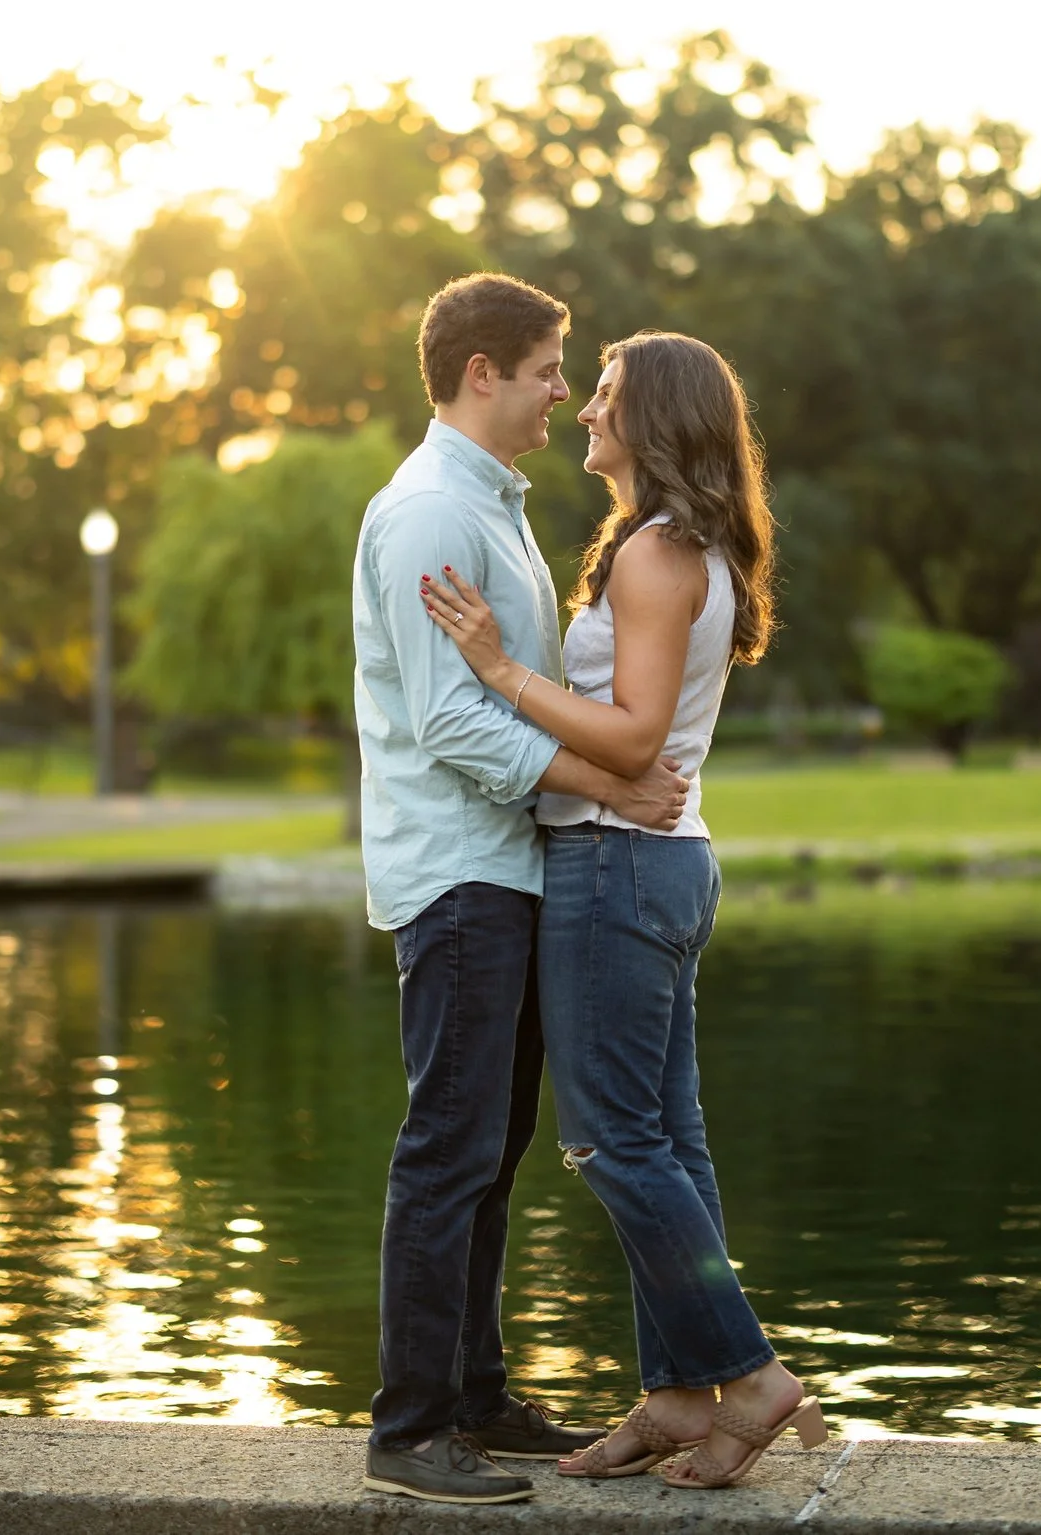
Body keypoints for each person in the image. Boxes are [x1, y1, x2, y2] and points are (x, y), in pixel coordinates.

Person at [419, 330, 822, 1490]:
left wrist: (501, 668)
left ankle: (742, 1371)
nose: (583, 410)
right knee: (668, 1138)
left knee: (608, 1138)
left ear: (656, 420)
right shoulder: (677, 546)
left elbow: (636, 734)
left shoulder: (656, 554)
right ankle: (679, 1395)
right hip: (658, 864)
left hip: (614, 866)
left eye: (603, 397)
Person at [353, 274, 694, 1506]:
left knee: (489, 1150)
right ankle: (408, 1426)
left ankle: (477, 1391)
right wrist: (599, 786)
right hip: (458, 869)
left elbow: (507, 688)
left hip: (511, 864)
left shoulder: (492, 506)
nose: (564, 388)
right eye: (550, 365)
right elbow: (449, 718)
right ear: (481, 370)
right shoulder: (430, 512)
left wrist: (583, 792)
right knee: (448, 1146)